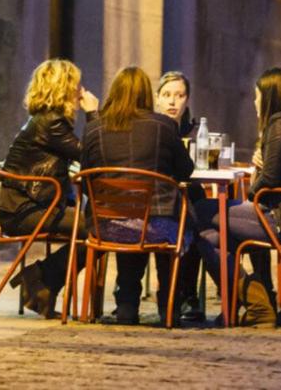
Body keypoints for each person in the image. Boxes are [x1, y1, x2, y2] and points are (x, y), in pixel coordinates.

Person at [196, 67, 281, 327]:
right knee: (211, 237)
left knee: (202, 210)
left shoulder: (280, 122)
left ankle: (260, 305)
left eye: (257, 96)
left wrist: (250, 191)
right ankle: (267, 305)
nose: (255, 102)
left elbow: (267, 181)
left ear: (269, 96)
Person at [80, 66, 204, 325]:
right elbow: (186, 171)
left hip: (107, 226)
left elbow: (85, 181)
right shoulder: (165, 126)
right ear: (149, 94)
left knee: (130, 222)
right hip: (156, 226)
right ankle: (168, 305)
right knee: (167, 223)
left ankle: (127, 304)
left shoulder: (94, 128)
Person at [0, 59, 99, 317]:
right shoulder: (51, 123)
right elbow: (91, 156)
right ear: (63, 88)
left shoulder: (45, 120)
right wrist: (93, 115)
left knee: (98, 228)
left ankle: (42, 281)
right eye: (76, 85)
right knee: (101, 230)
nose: (81, 91)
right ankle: (41, 276)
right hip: (24, 211)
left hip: (23, 207)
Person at [152, 69, 206, 323]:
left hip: (186, 192)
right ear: (157, 98)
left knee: (194, 213)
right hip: (153, 200)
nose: (173, 102)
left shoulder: (196, 132)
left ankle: (188, 293)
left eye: (180, 95)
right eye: (167, 95)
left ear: (187, 100)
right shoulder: (149, 129)